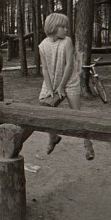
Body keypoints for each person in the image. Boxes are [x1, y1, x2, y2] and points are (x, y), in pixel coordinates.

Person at [38, 13, 95, 161]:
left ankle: (87, 144)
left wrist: (62, 86)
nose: (65, 29)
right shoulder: (42, 45)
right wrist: (50, 89)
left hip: (68, 81)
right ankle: (53, 138)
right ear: (52, 27)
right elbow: (44, 69)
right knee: (45, 111)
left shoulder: (67, 42)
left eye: (66, 26)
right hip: (51, 81)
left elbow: (69, 65)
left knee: (77, 114)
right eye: (62, 27)